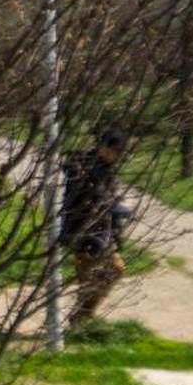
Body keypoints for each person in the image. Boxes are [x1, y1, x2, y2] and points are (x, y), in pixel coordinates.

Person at [60, 126, 131, 325]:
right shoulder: (82, 166)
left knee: (110, 270)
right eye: (113, 150)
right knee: (90, 275)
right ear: (102, 146)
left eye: (118, 152)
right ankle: (81, 319)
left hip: (101, 230)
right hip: (82, 230)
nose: (115, 156)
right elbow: (81, 190)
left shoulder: (105, 170)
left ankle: (82, 316)